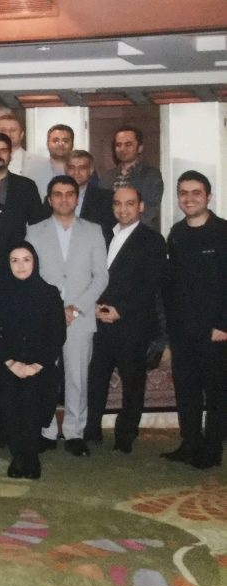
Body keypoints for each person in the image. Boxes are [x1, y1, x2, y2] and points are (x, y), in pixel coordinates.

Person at [26, 176, 108, 457]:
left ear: (77, 198)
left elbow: (101, 277)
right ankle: (46, 430)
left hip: (80, 317)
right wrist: (51, 310)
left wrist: (74, 309)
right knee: (44, 375)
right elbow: (30, 275)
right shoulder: (33, 232)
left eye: (69, 194)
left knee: (77, 377)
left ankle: (74, 432)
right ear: (49, 199)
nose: (64, 199)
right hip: (43, 318)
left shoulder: (93, 231)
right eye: (58, 194)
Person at [86, 186, 166, 453]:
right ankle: (91, 430)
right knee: (95, 379)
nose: (123, 209)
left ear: (140, 206)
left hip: (132, 324)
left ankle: (125, 436)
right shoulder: (103, 235)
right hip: (99, 322)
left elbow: (150, 285)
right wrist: (94, 306)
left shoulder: (153, 240)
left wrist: (120, 310)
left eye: (130, 203)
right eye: (118, 204)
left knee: (133, 384)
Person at [162, 171, 227, 469]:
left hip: (215, 330)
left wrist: (224, 325)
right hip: (182, 329)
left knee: (216, 394)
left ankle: (212, 450)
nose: (189, 198)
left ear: (208, 197)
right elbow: (171, 283)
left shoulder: (223, 232)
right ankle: (190, 443)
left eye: (196, 192)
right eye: (183, 193)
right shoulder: (176, 233)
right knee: (186, 391)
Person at [0, 243, 66, 479]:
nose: (21, 265)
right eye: (15, 260)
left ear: (35, 262)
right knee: (11, 396)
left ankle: (29, 457)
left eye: (26, 259)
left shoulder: (49, 294)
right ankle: (19, 456)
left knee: (32, 394)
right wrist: (12, 363)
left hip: (41, 365)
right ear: (8, 264)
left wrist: (36, 366)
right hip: (8, 364)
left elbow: (58, 336)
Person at [100, 126, 164, 232]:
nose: (122, 149)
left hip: (141, 234)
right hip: (111, 234)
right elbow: (102, 210)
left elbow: (150, 209)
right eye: (118, 145)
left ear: (140, 148)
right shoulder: (107, 177)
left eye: (128, 144)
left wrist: (128, 231)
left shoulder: (151, 175)